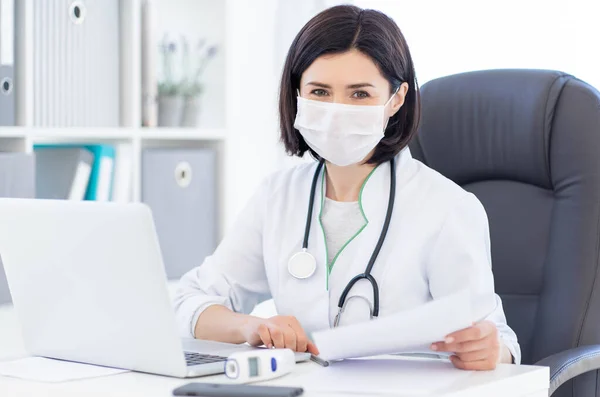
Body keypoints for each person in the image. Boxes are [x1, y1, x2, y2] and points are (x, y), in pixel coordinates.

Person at [173, 4, 521, 370]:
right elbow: (189, 301)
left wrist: (491, 350)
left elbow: (498, 342)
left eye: (359, 94)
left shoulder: (447, 207)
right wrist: (252, 327)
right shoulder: (277, 197)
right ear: (297, 94)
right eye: (320, 92)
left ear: (396, 99)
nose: (337, 111)